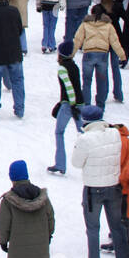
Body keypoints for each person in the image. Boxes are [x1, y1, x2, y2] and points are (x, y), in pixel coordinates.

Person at [71, 104, 129, 258]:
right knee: (117, 226)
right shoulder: (114, 133)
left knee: (93, 228)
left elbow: (76, 163)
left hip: (93, 189)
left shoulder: (85, 139)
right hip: (114, 186)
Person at [0, 160, 63, 258]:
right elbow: (50, 218)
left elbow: (4, 223)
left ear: (12, 177)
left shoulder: (8, 200)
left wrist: (3, 241)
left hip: (18, 247)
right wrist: (48, 235)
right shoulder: (42, 197)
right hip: (40, 244)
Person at [72, 5, 126, 110]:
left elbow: (77, 40)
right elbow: (115, 42)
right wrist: (122, 56)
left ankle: (86, 105)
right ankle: (100, 106)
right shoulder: (108, 26)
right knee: (101, 81)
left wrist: (71, 54)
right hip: (102, 55)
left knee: (87, 81)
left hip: (89, 54)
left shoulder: (85, 24)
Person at [46, 41, 83, 175]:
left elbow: (69, 88)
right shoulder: (74, 66)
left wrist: (71, 104)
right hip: (81, 103)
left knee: (59, 132)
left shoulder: (62, 68)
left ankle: (60, 164)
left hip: (69, 104)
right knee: (83, 133)